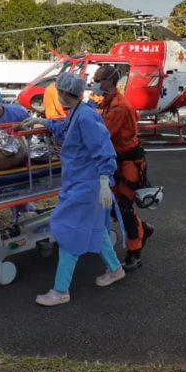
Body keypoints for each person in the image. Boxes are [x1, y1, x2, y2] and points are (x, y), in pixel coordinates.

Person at [23, 72, 125, 306]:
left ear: (64, 93)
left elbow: (104, 149)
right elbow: (66, 132)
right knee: (96, 229)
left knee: (68, 231)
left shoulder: (86, 117)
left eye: (59, 92)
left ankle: (61, 291)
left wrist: (103, 182)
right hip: (84, 183)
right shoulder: (78, 113)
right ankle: (115, 269)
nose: (57, 95)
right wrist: (43, 122)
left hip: (87, 186)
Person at [92, 64, 154, 272]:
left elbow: (101, 134)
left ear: (110, 81)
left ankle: (134, 253)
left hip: (129, 163)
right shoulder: (106, 103)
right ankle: (142, 229)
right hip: (118, 160)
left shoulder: (119, 107)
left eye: (98, 79)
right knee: (114, 206)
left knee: (125, 208)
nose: (95, 83)